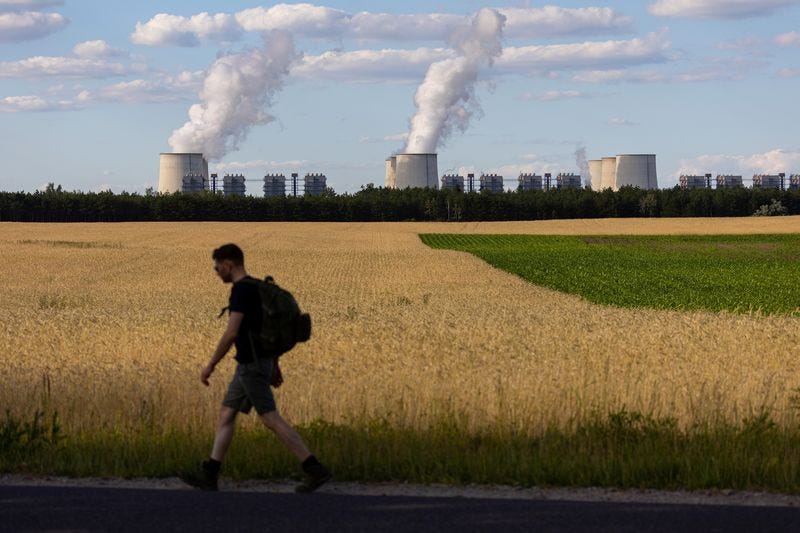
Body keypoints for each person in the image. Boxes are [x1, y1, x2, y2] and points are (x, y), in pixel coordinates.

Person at [180, 243, 330, 493]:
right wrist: (274, 364)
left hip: (251, 366)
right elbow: (266, 331)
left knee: (270, 418)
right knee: (227, 414)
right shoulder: (256, 288)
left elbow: (232, 332)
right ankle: (209, 474)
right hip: (253, 364)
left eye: (217, 268)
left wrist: (210, 365)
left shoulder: (241, 292)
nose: (216, 273)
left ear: (228, 264)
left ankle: (314, 469)